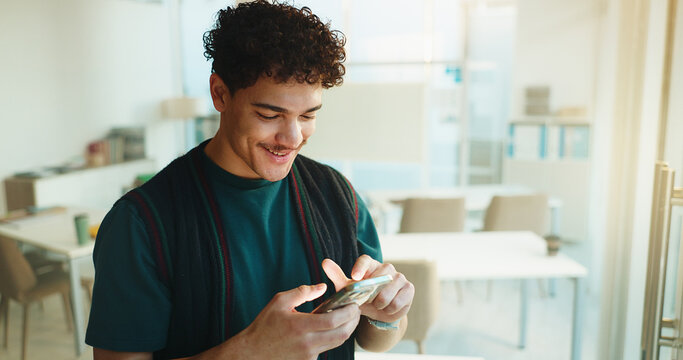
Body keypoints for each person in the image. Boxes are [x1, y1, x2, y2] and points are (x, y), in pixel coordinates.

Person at [85, 1, 414, 359]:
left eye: (307, 115)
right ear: (220, 94)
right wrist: (251, 351)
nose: (292, 138)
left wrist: (387, 315)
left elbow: (374, 340)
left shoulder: (337, 194)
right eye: (270, 114)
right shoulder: (141, 223)